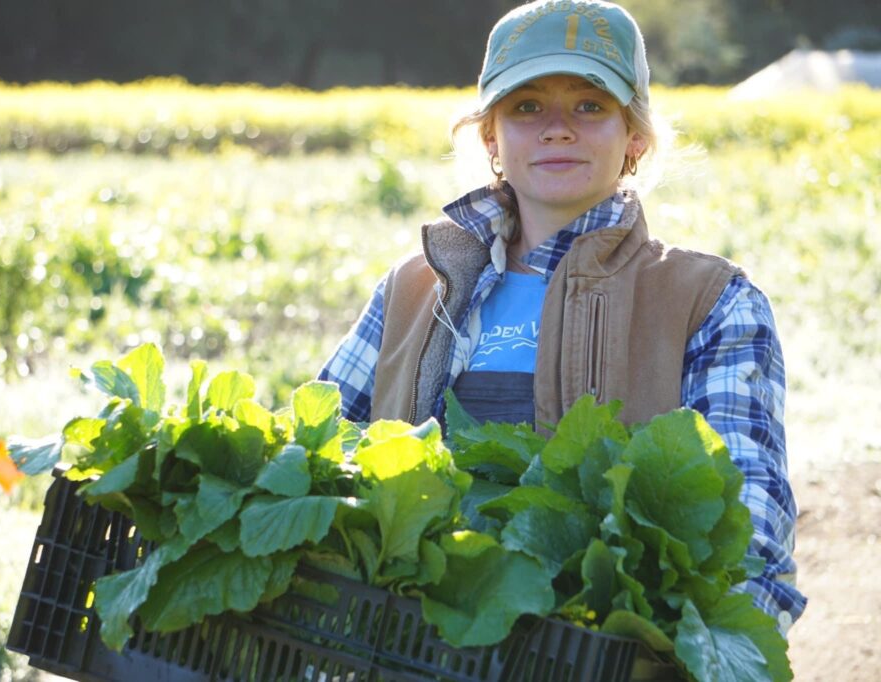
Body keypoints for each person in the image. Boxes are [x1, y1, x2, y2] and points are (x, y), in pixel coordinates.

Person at [318, 0, 805, 631]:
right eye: (526, 107)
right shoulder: (414, 289)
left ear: (635, 137)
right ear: (491, 136)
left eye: (589, 105)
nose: (557, 129)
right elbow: (319, 462)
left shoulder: (711, 303)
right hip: (411, 648)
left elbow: (753, 540)